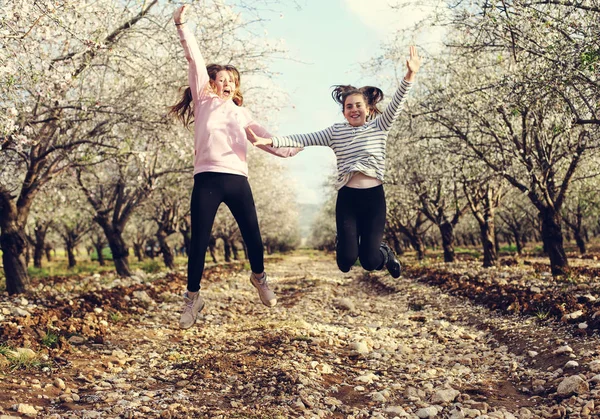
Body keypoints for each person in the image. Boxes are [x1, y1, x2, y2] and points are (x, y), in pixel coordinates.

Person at [170, 5, 301, 329]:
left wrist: (293, 147)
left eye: (232, 80)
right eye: (222, 79)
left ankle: (259, 278)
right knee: (198, 240)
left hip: (237, 179)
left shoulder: (242, 113)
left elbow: (267, 139)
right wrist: (182, 25)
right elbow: (194, 60)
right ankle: (192, 299)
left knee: (253, 236)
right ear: (212, 83)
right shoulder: (203, 100)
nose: (227, 83)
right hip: (207, 179)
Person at [247, 46, 421, 278]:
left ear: (368, 109)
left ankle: (384, 253)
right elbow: (302, 138)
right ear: (343, 112)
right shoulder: (335, 132)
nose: (354, 109)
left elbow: (397, 103)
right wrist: (269, 140)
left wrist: (410, 75)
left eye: (359, 105)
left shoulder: (379, 126)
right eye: (349, 106)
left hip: (373, 198)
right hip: (348, 199)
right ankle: (345, 243)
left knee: (369, 261)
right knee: (346, 261)